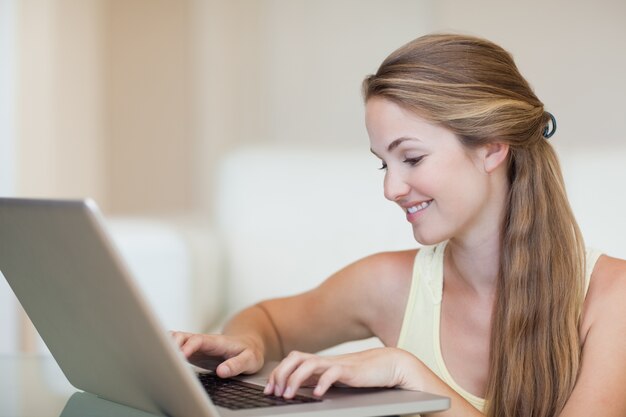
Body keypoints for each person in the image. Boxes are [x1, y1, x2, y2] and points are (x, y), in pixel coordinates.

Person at [171, 33, 626, 417]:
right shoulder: (386, 284)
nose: (392, 189)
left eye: (411, 158)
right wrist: (248, 341)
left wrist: (409, 375)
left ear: (491, 147)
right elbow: (267, 319)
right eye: (383, 164)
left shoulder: (612, 299)